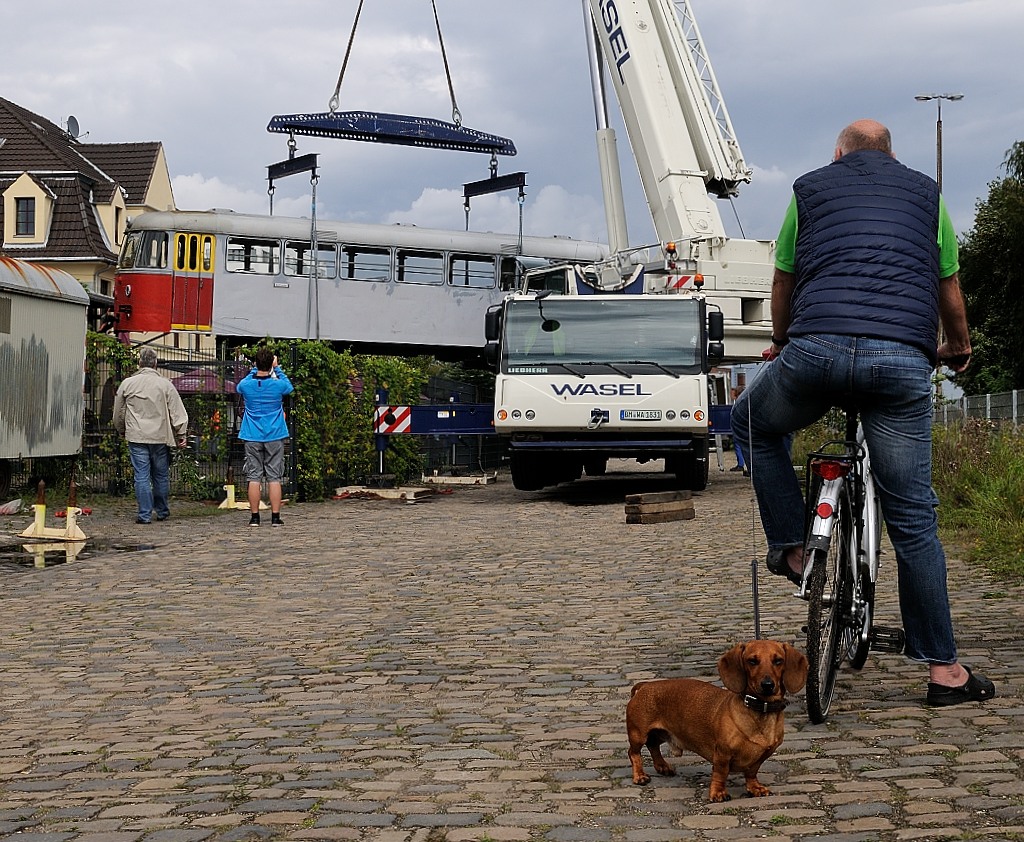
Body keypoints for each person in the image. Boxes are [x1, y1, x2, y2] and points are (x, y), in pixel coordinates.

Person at [732, 119, 995, 707]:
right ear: (892, 154)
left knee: (749, 420)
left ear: (837, 153)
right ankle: (945, 672)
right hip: (900, 362)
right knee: (915, 522)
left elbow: (784, 276)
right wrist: (960, 346)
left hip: (815, 350)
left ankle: (795, 549)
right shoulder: (928, 196)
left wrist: (783, 340)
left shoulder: (808, 189)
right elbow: (949, 285)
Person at [113, 347, 189, 524]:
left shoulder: (128, 383)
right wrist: (181, 434)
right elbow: (177, 412)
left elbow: (118, 411)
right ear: (155, 363)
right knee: (161, 475)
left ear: (139, 362)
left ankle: (144, 514)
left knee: (141, 475)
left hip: (137, 436)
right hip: (160, 436)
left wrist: (121, 428)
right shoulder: (165, 384)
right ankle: (162, 510)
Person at [236, 348, 294, 527]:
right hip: (275, 434)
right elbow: (289, 386)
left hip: (252, 434)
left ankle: (255, 517)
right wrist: (277, 368)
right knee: (274, 476)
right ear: (271, 364)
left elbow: (240, 385)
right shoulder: (277, 385)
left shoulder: (246, 385)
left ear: (255, 363)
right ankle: (275, 517)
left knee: (254, 476)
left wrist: (255, 369)